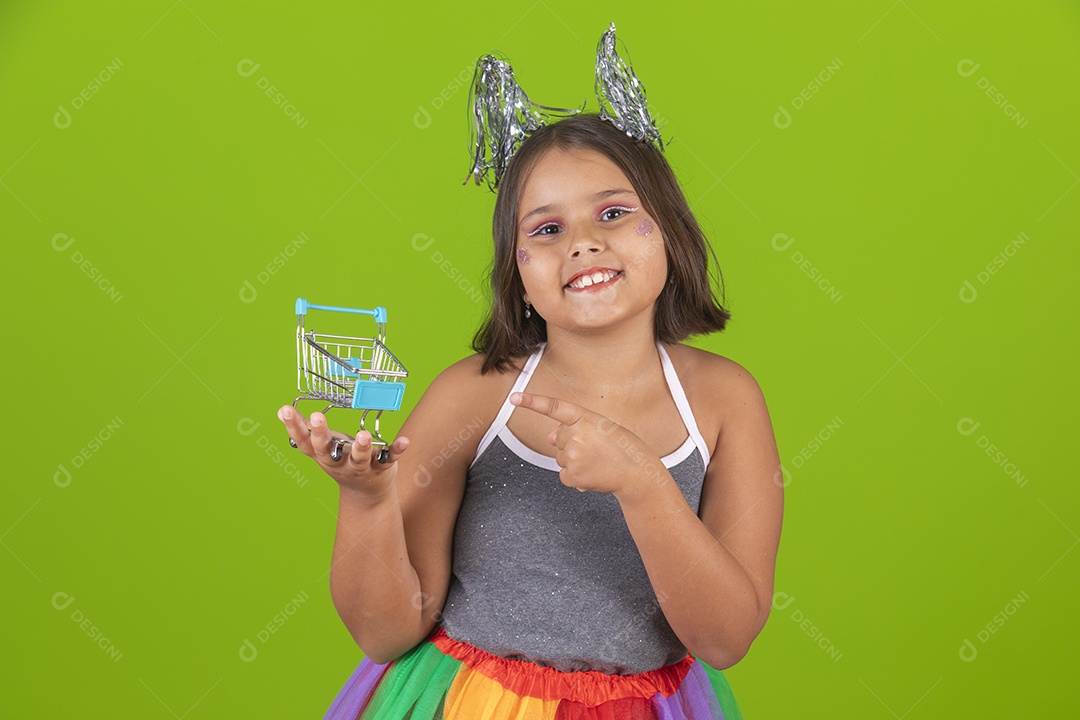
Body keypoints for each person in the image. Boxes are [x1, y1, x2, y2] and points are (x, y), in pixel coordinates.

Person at [279, 30, 783, 720]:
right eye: (546, 230)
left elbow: (725, 638)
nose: (582, 241)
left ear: (668, 232)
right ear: (516, 273)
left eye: (614, 212)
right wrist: (367, 502)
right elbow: (384, 630)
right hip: (470, 703)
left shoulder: (725, 400)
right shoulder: (473, 396)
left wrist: (641, 480)